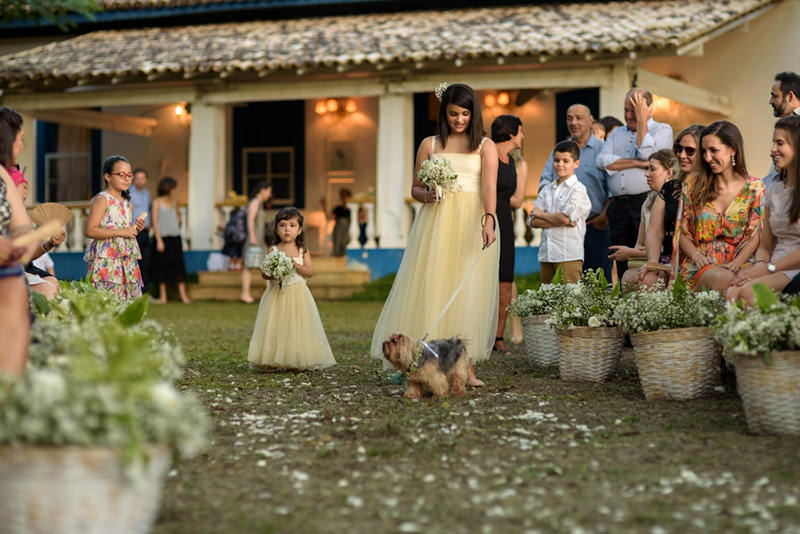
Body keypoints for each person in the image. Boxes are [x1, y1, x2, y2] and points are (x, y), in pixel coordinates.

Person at [370, 83, 499, 387]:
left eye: (465, 114)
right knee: (433, 286)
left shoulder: (484, 145)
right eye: (453, 113)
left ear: (473, 114)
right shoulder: (430, 144)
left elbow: (489, 186)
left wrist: (489, 220)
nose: (459, 119)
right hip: (437, 222)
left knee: (469, 291)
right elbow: (414, 187)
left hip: (471, 220)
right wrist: (427, 195)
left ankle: (466, 368)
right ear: (444, 112)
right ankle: (418, 360)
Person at [677, 121, 763, 292]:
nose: (707, 158)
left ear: (732, 149)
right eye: (704, 152)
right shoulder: (693, 186)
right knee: (724, 280)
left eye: (713, 151)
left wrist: (736, 264)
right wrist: (697, 255)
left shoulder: (755, 188)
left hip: (741, 263)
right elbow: (681, 232)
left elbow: (756, 235)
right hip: (700, 264)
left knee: (749, 286)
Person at [597, 89, 673, 279]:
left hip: (646, 202)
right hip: (618, 206)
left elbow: (649, 155)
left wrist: (642, 122)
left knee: (648, 252)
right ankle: (624, 294)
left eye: (635, 110)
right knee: (620, 256)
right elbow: (602, 161)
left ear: (649, 108)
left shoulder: (663, 130)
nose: (629, 116)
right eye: (627, 110)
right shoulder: (617, 134)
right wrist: (638, 163)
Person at [248, 207, 336, 371]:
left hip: (298, 294)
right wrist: (273, 273)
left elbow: (310, 272)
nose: (287, 229)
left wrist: (295, 265)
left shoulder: (302, 250)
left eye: (292, 225)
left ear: (299, 230)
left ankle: (294, 359)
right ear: (276, 229)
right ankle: (271, 359)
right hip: (276, 295)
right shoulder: (273, 250)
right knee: (274, 325)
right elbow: (264, 274)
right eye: (282, 225)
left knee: (296, 326)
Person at [728, 115, 800, 303]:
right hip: (773, 263)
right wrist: (760, 265)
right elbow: (766, 245)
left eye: (780, 143)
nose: (772, 150)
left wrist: (770, 269)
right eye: (773, 143)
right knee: (733, 291)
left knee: (748, 293)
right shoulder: (774, 188)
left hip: (794, 267)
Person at [0, 107, 64, 300]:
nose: (21, 146)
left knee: (49, 288)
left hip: (10, 269)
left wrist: (46, 242)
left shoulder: (7, 179)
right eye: (19, 139)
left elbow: (23, 239)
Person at [541, 103, 611, 276]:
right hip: (563, 229)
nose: (574, 122)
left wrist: (604, 216)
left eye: (579, 118)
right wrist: (549, 214)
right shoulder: (559, 150)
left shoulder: (604, 150)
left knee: (599, 284)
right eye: (569, 118)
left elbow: (614, 188)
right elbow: (545, 182)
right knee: (564, 287)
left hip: (596, 226)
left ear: (590, 120)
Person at [636, 125, 705, 288]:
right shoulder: (671, 188)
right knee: (647, 279)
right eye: (679, 149)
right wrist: (653, 264)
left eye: (690, 151)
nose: (682, 155)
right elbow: (654, 231)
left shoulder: (716, 187)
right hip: (670, 257)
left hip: (704, 257)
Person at [0, 120, 38, 375]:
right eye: (20, 138)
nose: (22, 145)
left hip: (6, 274)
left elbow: (23, 228)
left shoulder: (2, 175)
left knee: (14, 278)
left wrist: (21, 245)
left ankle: (9, 386)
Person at [609, 149, 678, 290]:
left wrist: (628, 253)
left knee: (642, 280)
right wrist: (633, 252)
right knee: (628, 276)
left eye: (652, 169)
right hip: (649, 260)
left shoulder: (676, 202)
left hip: (670, 260)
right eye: (647, 168)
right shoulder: (649, 200)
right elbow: (640, 244)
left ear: (669, 173)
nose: (647, 174)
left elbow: (665, 248)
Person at [529, 140, 592, 284]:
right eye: (556, 160)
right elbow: (532, 221)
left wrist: (542, 215)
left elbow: (564, 218)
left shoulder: (578, 189)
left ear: (576, 164)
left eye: (566, 161)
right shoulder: (547, 190)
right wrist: (559, 220)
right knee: (547, 300)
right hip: (546, 254)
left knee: (569, 300)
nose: (560, 164)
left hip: (567, 254)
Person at [84, 155, 146, 300]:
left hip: (126, 256)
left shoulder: (127, 204)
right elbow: (90, 230)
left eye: (130, 175)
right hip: (108, 257)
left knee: (128, 296)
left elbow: (127, 231)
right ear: (107, 176)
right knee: (108, 297)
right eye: (121, 175)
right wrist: (121, 232)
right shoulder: (102, 199)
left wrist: (136, 229)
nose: (127, 179)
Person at [491, 114, 527, 353]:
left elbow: (515, 199)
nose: (523, 136)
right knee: (487, 280)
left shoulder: (512, 161)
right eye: (521, 131)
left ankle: (498, 336)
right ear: (511, 133)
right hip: (487, 219)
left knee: (505, 280)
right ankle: (481, 331)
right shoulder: (488, 153)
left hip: (506, 222)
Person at [151, 177, 190, 304]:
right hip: (163, 238)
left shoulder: (175, 202)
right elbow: (155, 223)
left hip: (175, 238)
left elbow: (178, 216)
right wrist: (159, 241)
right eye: (174, 188)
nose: (175, 190)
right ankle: (163, 297)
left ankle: (183, 296)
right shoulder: (156, 203)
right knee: (162, 267)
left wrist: (174, 225)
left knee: (179, 266)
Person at [241, 182, 272, 303]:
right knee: (249, 266)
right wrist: (253, 237)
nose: (269, 194)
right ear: (262, 190)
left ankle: (269, 292)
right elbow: (250, 221)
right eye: (268, 191)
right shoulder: (255, 203)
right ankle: (245, 294)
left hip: (260, 239)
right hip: (254, 240)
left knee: (265, 265)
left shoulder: (260, 204)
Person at [130, 168, 152, 291]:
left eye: (143, 178)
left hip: (145, 232)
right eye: (137, 178)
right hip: (133, 232)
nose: (140, 181)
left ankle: (145, 292)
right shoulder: (129, 193)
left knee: (146, 262)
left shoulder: (147, 194)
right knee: (134, 263)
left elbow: (148, 210)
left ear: (146, 180)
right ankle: (134, 292)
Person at [222, 206, 247, 271]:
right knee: (240, 253)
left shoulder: (232, 214)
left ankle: (232, 266)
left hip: (232, 237)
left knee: (232, 253)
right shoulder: (243, 214)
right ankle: (238, 266)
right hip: (241, 237)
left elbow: (229, 225)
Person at [332, 188, 352, 256]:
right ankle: (338, 251)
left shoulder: (352, 209)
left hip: (348, 230)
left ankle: (342, 250)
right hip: (338, 230)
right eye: (343, 196)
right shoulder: (338, 209)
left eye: (346, 196)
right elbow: (329, 217)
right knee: (342, 223)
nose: (344, 199)